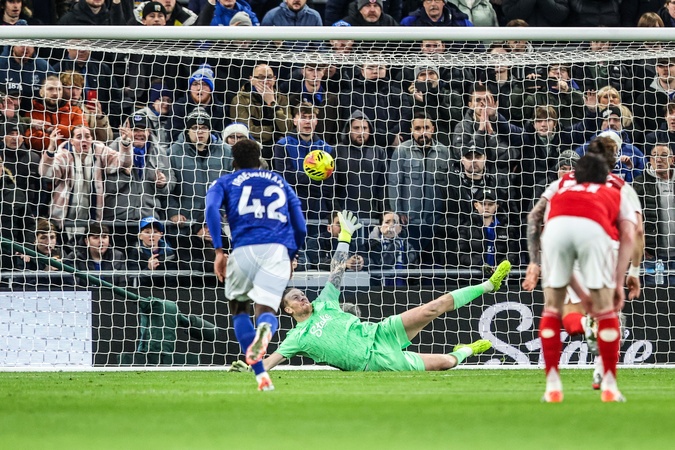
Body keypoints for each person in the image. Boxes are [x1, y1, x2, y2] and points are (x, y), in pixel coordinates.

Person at [257, 210, 511, 372]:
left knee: (432, 308)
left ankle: (489, 285)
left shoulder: (324, 302)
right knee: (446, 362)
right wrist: (252, 367)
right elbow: (270, 362)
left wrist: (345, 237)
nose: (302, 297)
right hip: (375, 361)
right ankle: (467, 349)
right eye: (295, 298)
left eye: (301, 293)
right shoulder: (297, 337)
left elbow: (337, 270)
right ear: (288, 309)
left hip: (379, 332)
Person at [523, 137, 644, 395]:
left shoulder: (562, 183)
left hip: (555, 233)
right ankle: (607, 380)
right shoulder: (619, 187)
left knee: (557, 310)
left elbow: (535, 216)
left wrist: (535, 262)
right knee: (606, 312)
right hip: (601, 240)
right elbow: (635, 232)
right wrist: (627, 276)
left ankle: (552, 386)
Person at [204, 138, 307, 391]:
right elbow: (301, 226)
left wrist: (219, 250)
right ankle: (264, 334)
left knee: (240, 310)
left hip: (244, 250)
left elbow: (211, 209)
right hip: (276, 251)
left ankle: (261, 375)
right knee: (266, 310)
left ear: (233, 161)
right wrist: (291, 255)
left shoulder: (225, 182)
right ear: (259, 159)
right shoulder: (279, 181)